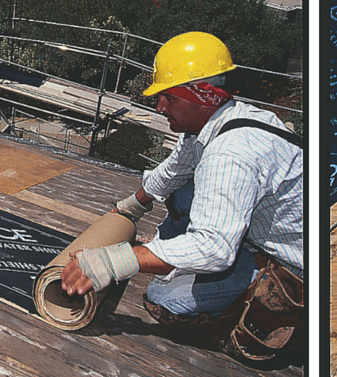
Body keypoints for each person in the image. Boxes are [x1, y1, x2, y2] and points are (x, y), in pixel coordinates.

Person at [60, 32, 303, 358]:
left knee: (163, 297)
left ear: (204, 96)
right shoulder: (222, 118)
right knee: (182, 192)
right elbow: (175, 169)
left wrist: (115, 260)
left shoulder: (230, 154)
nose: (159, 107)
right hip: (259, 230)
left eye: (170, 98)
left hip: (292, 265)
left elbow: (214, 249)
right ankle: (177, 257)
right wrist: (131, 208)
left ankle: (283, 314)